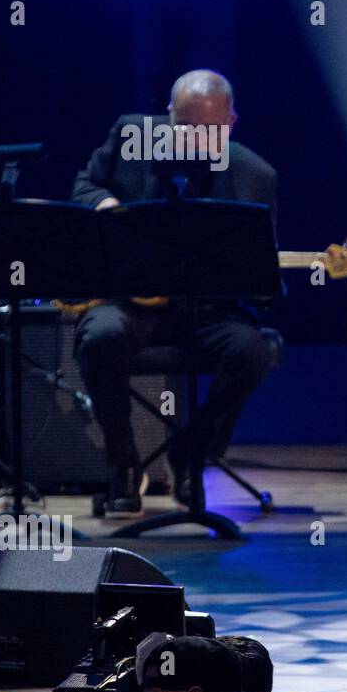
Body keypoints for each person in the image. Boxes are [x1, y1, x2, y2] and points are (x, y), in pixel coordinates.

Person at [70, 69, 277, 518]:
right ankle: (123, 468)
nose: (195, 140)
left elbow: (260, 278)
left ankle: (193, 456)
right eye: (185, 127)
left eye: (209, 131)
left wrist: (256, 278)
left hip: (207, 310)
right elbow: (83, 186)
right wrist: (103, 204)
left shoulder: (255, 175)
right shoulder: (131, 136)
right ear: (169, 115)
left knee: (252, 351)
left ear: (231, 122)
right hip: (132, 302)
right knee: (99, 336)